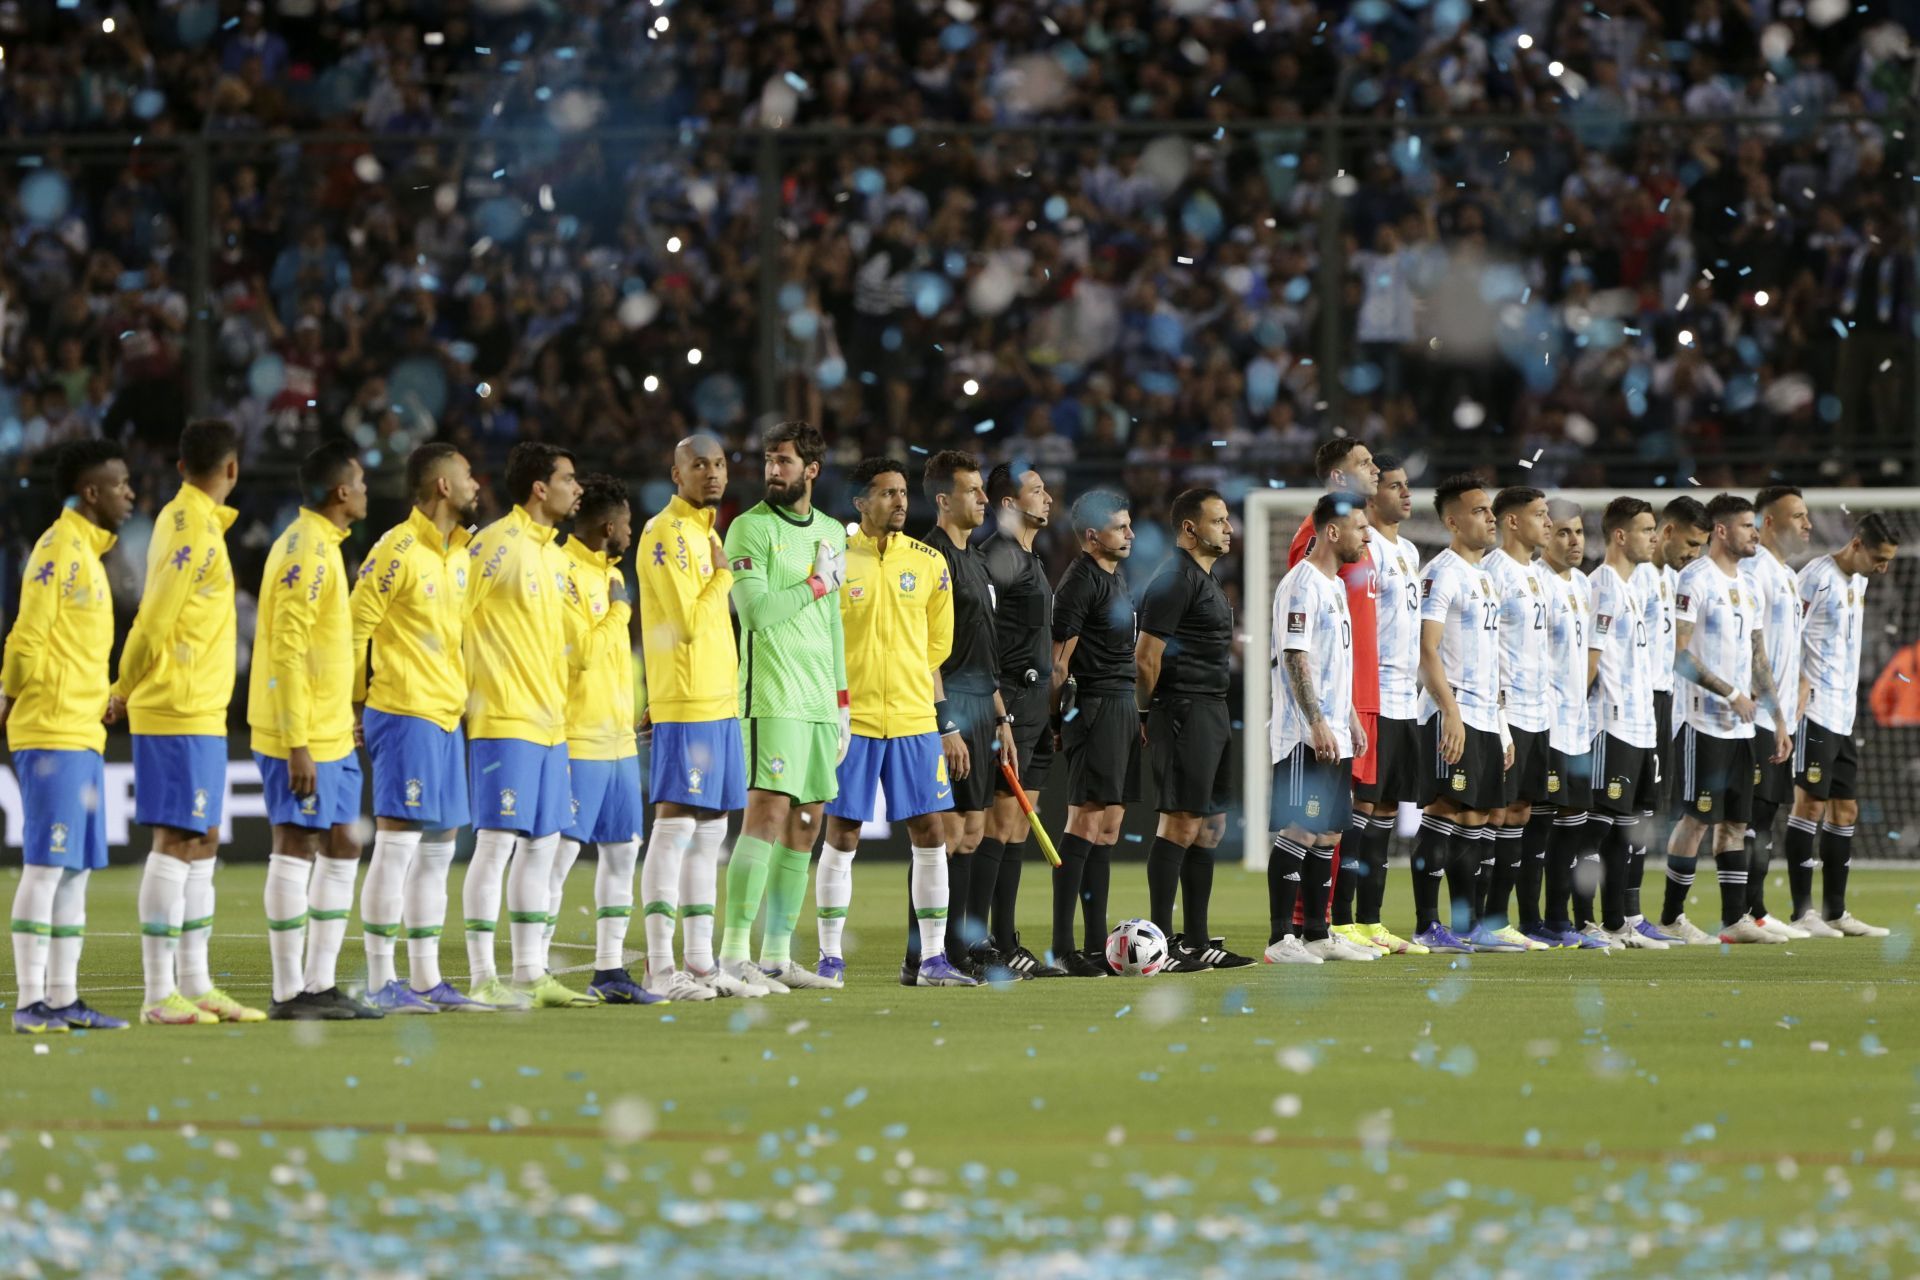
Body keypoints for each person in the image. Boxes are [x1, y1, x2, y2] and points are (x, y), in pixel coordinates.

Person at [115, 420, 260, 1025]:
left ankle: (197, 985)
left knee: (202, 840)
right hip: (174, 703)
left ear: (181, 467)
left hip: (198, 706)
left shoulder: (194, 524)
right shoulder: (191, 528)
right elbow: (153, 620)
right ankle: (157, 995)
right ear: (232, 469)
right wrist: (123, 685)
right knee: (176, 840)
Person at [817, 457, 973, 988]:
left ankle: (931, 960)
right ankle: (830, 958)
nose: (900, 501)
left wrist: (940, 719)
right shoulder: (835, 556)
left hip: (912, 718)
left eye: (903, 492)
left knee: (930, 832)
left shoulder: (929, 562)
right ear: (861, 502)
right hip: (852, 719)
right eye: (886, 493)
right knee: (843, 832)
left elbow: (938, 646)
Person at [350, 442, 489, 1014]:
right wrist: (352, 703)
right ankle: (382, 981)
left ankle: (427, 980)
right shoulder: (396, 549)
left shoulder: (460, 554)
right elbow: (353, 628)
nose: (476, 483)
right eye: (467, 475)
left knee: (437, 849)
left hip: (443, 717)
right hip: (403, 712)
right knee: (397, 844)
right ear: (442, 487)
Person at [3, 440, 136, 1034]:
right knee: (45, 866)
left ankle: (61, 999)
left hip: (81, 728)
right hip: (51, 729)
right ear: (91, 492)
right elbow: (27, 635)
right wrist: (6, 698)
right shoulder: (59, 550)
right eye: (120, 484)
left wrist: (105, 691)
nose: (130, 494)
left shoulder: (88, 553)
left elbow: (71, 645)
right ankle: (32, 1001)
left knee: (75, 870)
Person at [461, 441, 596, 1009]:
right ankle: (481, 976)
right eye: (568, 479)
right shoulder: (494, 544)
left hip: (551, 724)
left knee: (542, 847)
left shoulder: (559, 557)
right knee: (494, 846)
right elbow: (452, 615)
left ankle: (529, 973)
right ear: (540, 488)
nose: (577, 488)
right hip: (503, 717)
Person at [716, 420, 849, 994]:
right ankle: (730, 953)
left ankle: (774, 957)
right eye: (769, 460)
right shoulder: (748, 529)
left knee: (805, 824)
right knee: (765, 817)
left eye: (785, 461)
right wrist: (817, 585)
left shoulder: (830, 533)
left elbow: (833, 625)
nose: (774, 470)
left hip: (820, 700)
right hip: (770, 694)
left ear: (811, 470)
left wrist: (842, 702)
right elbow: (756, 614)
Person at [252, 441, 381, 1020]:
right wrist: (296, 741)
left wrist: (341, 714)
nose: (367, 490)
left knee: (342, 842)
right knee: (296, 843)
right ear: (341, 492)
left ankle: (320, 983)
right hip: (298, 734)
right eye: (360, 481)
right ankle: (288, 993)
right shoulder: (304, 550)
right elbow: (285, 650)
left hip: (331, 728)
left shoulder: (326, 546)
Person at [636, 434, 762, 999]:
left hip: (717, 701)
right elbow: (685, 624)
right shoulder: (665, 533)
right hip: (687, 701)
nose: (712, 473)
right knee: (675, 828)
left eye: (718, 464)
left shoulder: (704, 531)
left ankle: (701, 964)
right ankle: (660, 970)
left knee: (710, 832)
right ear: (676, 472)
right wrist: (724, 575)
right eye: (699, 465)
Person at [555, 475, 665, 1005]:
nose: (630, 532)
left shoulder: (609, 574)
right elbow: (579, 654)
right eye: (626, 524)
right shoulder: (566, 572)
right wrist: (620, 610)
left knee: (623, 853)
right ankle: (530, 970)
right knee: (556, 856)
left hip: (619, 738)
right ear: (608, 526)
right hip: (577, 737)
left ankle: (609, 971)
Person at [1668, 493, 1793, 945]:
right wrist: (1732, 692)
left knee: (1736, 823)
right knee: (1697, 821)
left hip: (1744, 727)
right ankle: (1670, 918)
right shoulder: (1693, 580)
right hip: (1702, 723)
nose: (1755, 533)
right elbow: (1680, 658)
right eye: (1746, 526)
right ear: (1721, 531)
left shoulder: (1750, 585)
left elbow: (1760, 658)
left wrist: (1777, 719)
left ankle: (1734, 920)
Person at [1139, 488, 1253, 971]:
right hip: (1182, 710)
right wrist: (1148, 714)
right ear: (1190, 528)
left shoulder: (1206, 580)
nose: (1228, 528)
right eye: (1219, 520)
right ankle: (1161, 942)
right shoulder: (1173, 580)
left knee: (1209, 826)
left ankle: (1198, 939)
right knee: (1180, 823)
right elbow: (1145, 657)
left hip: (1213, 709)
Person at [1264, 492, 1376, 965]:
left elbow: (1335, 663)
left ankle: (1317, 933)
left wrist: (1347, 718)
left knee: (1330, 833)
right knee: (1301, 829)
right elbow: (1295, 656)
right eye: (1360, 528)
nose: (1367, 536)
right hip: (1303, 736)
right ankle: (1279, 941)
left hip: (1333, 730)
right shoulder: (1302, 585)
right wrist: (1315, 721)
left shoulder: (1334, 586)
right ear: (1332, 531)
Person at [918, 450, 1017, 977]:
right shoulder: (928, 557)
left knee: (973, 834)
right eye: (973, 491)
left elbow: (985, 653)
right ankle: (927, 955)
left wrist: (1001, 719)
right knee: (945, 836)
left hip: (983, 708)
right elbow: (926, 652)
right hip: (949, 706)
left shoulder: (977, 560)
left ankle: (956, 949)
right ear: (943, 499)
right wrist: (945, 724)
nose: (984, 499)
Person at [1788, 513, 1900, 936]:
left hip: (1843, 713)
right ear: (1856, 544)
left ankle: (1836, 912)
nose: (1883, 567)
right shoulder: (1815, 577)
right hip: (1814, 709)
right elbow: (1787, 633)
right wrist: (1797, 686)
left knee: (1846, 809)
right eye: (1878, 558)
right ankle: (1803, 912)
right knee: (1809, 805)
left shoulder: (1860, 581)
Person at [1408, 476, 1507, 954]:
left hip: (1486, 716)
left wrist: (1501, 727)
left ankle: (1469, 927)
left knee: (1478, 817)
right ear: (1452, 521)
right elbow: (1426, 651)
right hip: (1455, 711)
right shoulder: (1441, 572)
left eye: (1490, 510)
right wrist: (1450, 712)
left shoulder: (1485, 576)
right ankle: (1427, 925)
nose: (1490, 518)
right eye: (1480, 510)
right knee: (1444, 809)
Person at [1285, 437, 1380, 936]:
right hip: (1331, 705)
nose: (1376, 469)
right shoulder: (1315, 546)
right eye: (1365, 463)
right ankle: (1304, 925)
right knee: (1315, 820)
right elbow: (1300, 644)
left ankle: (1337, 924)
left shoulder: (1359, 549)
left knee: (1346, 818)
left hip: (1354, 698)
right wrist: (1324, 713)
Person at [977, 464, 1065, 977]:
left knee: (1017, 825)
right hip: (1007, 704)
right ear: (1009, 503)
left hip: (1034, 709)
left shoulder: (1029, 557)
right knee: (999, 823)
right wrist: (999, 714)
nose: (1048, 497)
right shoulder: (997, 559)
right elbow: (984, 643)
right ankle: (981, 941)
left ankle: (1006, 940)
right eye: (1036, 490)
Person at [1049, 490, 1140, 977]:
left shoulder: (1115, 577)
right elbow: (1058, 664)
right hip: (1096, 707)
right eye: (1120, 528)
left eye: (1129, 525)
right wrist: (1055, 723)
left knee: (1108, 828)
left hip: (1122, 705)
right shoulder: (1079, 583)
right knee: (1084, 823)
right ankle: (1063, 947)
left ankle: (1095, 942)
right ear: (1091, 536)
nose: (1130, 535)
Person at [1346, 453, 1426, 955]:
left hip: (1406, 700)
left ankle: (1371, 920)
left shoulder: (1411, 552)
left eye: (1405, 485)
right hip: (1372, 696)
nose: (1404, 493)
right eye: (1393, 485)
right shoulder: (1364, 549)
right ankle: (1341, 920)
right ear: (1373, 495)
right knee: (1361, 808)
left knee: (1389, 813)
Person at [1582, 497, 1665, 950]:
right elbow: (1591, 660)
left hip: (1639, 724)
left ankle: (1617, 923)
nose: (1654, 537)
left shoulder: (1637, 584)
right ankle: (1583, 921)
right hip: (1609, 723)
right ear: (1619, 535)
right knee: (1596, 828)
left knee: (1625, 830)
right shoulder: (1603, 585)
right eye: (1646, 529)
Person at [1477, 486, 1554, 952]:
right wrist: (1500, 718)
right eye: (1539, 515)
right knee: (1494, 812)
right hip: (1504, 712)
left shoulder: (1537, 574)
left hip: (1538, 711)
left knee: (1521, 813)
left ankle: (1499, 920)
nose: (1547, 523)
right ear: (1511, 522)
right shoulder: (1494, 572)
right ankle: (1480, 920)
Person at [1735, 486, 1812, 939]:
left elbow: (1784, 646)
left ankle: (1756, 909)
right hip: (1758, 717)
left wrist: (1800, 681)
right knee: (1751, 818)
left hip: (1779, 716)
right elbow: (1751, 644)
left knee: (1764, 817)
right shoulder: (1755, 571)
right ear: (1768, 522)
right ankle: (1744, 910)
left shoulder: (1788, 574)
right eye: (1797, 515)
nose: (1807, 524)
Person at [1642, 497, 1710, 943]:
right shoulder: (1632, 578)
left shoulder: (1672, 579)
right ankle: (1581, 917)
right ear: (1666, 531)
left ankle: (1626, 917)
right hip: (1629, 704)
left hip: (1661, 701)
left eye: (1701, 546)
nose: (1694, 555)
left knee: (1640, 814)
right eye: (1689, 543)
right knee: (1601, 818)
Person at [1535, 499, 1601, 947]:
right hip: (1545, 723)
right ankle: (1528, 918)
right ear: (1544, 534)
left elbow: (1589, 656)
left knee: (1573, 822)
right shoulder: (1534, 582)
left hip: (1577, 723)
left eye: (1578, 531)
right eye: (1562, 532)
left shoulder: (1582, 583)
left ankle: (1560, 919)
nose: (1574, 540)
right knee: (1538, 823)